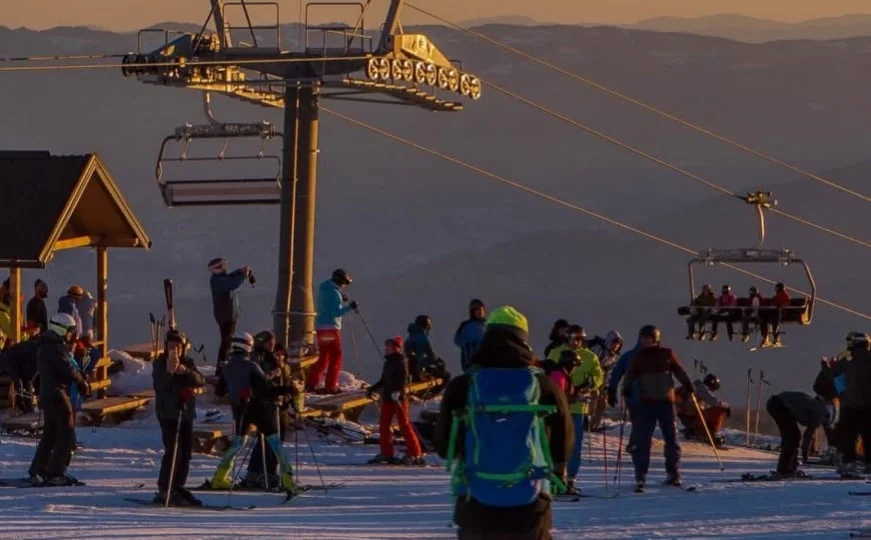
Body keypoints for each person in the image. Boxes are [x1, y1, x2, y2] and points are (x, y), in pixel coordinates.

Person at [434, 306, 573, 540]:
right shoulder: (544, 385)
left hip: (475, 503)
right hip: (531, 503)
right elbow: (564, 444)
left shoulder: (463, 385)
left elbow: (442, 445)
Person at [209, 332, 298, 491]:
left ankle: (219, 477)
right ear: (248, 346)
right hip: (260, 410)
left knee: (238, 443)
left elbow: (220, 391)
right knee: (275, 444)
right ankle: (288, 481)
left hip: (240, 411)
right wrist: (288, 389)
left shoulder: (227, 366)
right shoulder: (251, 366)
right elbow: (266, 390)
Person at [623, 325, 693, 491]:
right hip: (646, 402)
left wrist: (687, 383)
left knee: (671, 439)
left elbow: (678, 370)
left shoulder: (666, 354)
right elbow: (631, 374)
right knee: (642, 440)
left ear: (656, 339)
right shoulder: (639, 357)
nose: (646, 342)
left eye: (649, 339)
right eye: (644, 339)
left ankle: (673, 473)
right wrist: (626, 387)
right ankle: (640, 476)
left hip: (666, 401)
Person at [28, 313, 90, 486]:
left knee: (50, 434)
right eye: (70, 332)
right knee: (66, 432)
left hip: (50, 394)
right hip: (57, 395)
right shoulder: (54, 347)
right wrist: (81, 382)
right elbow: (67, 368)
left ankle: (38, 469)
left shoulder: (48, 345)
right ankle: (55, 472)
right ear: (61, 329)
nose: (71, 336)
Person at [152, 329, 205, 505]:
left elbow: (199, 380)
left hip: (186, 412)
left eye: (178, 347)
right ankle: (165, 488)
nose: (175, 350)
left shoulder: (188, 362)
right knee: (173, 451)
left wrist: (185, 372)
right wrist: (169, 372)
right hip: (168, 413)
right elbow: (160, 385)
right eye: (172, 346)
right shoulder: (160, 363)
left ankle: (178, 485)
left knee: (186, 453)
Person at [548, 336, 603, 496]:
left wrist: (581, 392)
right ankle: (558, 483)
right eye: (574, 365)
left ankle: (563, 482)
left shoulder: (563, 375)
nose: (574, 369)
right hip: (558, 417)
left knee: (568, 447)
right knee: (560, 448)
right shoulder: (559, 376)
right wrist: (576, 398)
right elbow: (559, 398)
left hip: (566, 413)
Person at [243, 330, 299, 488]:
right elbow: (260, 381)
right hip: (265, 406)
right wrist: (273, 374)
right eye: (269, 342)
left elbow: (285, 383)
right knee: (266, 441)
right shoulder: (258, 358)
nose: (272, 346)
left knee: (276, 442)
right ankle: (257, 473)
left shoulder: (276, 362)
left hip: (279, 407)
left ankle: (270, 472)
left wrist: (288, 395)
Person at [367, 336, 424, 465]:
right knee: (384, 425)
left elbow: (403, 378)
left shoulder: (401, 360)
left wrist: (398, 391)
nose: (386, 350)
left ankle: (415, 453)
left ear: (396, 349)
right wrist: (372, 389)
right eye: (386, 347)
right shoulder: (388, 361)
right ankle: (386, 453)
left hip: (398, 397)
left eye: (389, 347)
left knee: (404, 425)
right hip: (387, 397)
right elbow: (384, 379)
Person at [822, 332, 871, 474]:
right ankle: (869, 464)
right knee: (869, 436)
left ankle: (849, 464)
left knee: (849, 437)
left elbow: (831, 374)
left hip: (850, 406)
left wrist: (824, 365)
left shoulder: (847, 360)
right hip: (869, 407)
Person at [305, 269, 357, 394]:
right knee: (336, 357)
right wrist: (349, 307)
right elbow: (336, 313)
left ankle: (311, 383)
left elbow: (329, 305)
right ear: (339, 281)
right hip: (331, 329)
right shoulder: (334, 293)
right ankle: (330, 386)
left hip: (321, 329)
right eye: (344, 283)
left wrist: (340, 298)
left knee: (324, 357)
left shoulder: (324, 289)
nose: (344, 285)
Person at [766, 391, 835, 478]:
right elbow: (807, 436)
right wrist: (805, 456)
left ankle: (790, 467)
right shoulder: (820, 414)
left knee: (793, 436)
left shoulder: (818, 407)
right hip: (778, 405)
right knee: (792, 438)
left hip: (778, 403)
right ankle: (784, 469)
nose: (821, 425)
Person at [208, 257, 252, 367]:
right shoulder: (217, 281)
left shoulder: (219, 278)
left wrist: (239, 271)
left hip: (228, 315)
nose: (225, 268)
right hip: (226, 316)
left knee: (227, 340)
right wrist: (242, 275)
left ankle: (224, 364)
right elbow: (232, 283)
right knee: (226, 341)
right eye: (222, 266)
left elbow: (230, 277)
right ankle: (221, 366)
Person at [587, 330, 623, 431]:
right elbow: (591, 364)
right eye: (614, 343)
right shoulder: (598, 349)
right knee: (592, 403)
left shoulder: (614, 356)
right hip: (592, 380)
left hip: (603, 381)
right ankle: (587, 424)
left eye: (618, 344)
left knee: (602, 404)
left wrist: (607, 387)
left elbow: (610, 372)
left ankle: (594, 426)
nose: (615, 346)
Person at [677, 374, 730, 443]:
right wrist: (726, 406)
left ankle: (694, 432)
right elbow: (713, 400)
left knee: (707, 412)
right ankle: (710, 435)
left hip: (685, 416)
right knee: (718, 410)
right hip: (690, 417)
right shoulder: (701, 388)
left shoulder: (695, 386)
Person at [0, 333, 40, 413]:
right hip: (10, 361)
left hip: (18, 362)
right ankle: (23, 408)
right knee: (19, 386)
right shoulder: (38, 354)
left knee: (23, 385)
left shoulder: (38, 350)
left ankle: (27, 409)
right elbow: (28, 379)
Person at [454, 299, 487, 373]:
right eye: (477, 310)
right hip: (470, 362)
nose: (480, 312)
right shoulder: (466, 325)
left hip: (486, 362)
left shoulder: (487, 325)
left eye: (482, 310)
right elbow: (457, 340)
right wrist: (469, 343)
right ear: (473, 312)